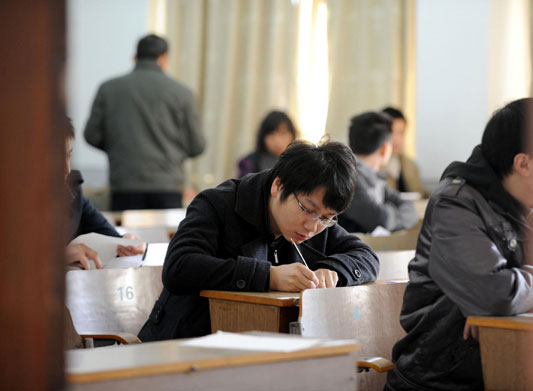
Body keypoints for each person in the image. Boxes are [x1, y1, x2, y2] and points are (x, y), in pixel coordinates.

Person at [138, 140, 379, 341]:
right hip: (185, 342)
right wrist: (269, 277)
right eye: (307, 209)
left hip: (263, 348)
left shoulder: (318, 223)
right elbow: (179, 267)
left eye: (327, 218)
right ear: (278, 185)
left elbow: (367, 257)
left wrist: (334, 269)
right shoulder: (217, 204)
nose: (313, 227)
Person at [385, 98, 533, 391]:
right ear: (524, 164)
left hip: (507, 364)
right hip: (439, 378)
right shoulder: (456, 202)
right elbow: (495, 295)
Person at [84, 34, 205, 211]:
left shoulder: (108, 88)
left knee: (126, 237)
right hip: (168, 185)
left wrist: (119, 148)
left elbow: (91, 135)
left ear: (135, 57)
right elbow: (197, 145)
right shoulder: (182, 93)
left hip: (124, 185)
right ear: (164, 58)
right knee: (168, 237)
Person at [64, 118, 146, 270]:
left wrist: (127, 244)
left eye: (68, 156)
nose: (67, 169)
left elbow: (108, 236)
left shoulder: (73, 190)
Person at [337, 111, 418, 234]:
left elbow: (408, 207)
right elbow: (381, 220)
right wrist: (391, 212)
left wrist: (388, 213)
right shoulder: (348, 178)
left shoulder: (371, 176)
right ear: (385, 149)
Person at [382, 106, 430, 198]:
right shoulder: (371, 166)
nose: (396, 139)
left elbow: (420, 193)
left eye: (401, 132)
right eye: (391, 132)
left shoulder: (410, 165)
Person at [237, 110, 297, 178]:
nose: (277, 141)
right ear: (263, 136)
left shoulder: (299, 162)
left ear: (292, 135)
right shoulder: (248, 163)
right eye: (271, 134)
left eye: (283, 133)